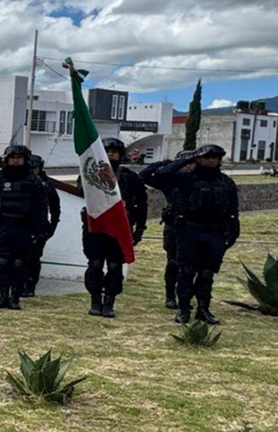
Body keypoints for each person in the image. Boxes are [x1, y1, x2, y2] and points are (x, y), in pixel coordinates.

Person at [148, 144, 239, 325]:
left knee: (206, 274)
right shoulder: (186, 178)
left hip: (215, 232)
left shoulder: (226, 182)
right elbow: (162, 174)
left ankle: (203, 309)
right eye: (207, 157)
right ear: (199, 159)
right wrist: (189, 158)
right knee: (186, 271)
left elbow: (233, 210)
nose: (211, 160)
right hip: (189, 230)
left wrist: (233, 232)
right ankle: (183, 309)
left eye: (215, 157)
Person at [0, 143, 47, 310]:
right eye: (12, 158)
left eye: (19, 158)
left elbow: (42, 207)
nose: (16, 161)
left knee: (19, 263)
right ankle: (3, 296)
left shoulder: (34, 180)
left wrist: (40, 231)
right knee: (3, 262)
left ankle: (15, 298)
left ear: (25, 160)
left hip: (24, 228)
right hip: (3, 226)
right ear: (7, 159)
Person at [78, 137, 148, 318]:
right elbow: (80, 193)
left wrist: (139, 229)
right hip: (96, 228)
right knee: (94, 265)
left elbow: (142, 204)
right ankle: (95, 300)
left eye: (114, 152)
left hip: (120, 229)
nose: (110, 155)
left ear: (120, 155)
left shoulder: (130, 178)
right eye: (107, 152)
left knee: (115, 267)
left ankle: (109, 302)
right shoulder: (89, 174)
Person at [143, 150, 194, 309]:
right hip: (174, 225)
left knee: (191, 265)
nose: (187, 168)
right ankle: (170, 295)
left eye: (190, 164)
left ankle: (186, 296)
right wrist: (165, 163)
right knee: (173, 262)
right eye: (183, 164)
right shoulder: (169, 182)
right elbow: (144, 175)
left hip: (194, 226)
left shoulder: (198, 180)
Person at [22, 154, 60, 298]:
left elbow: (55, 208)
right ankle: (19, 283)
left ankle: (31, 285)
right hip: (21, 224)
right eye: (29, 168)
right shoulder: (20, 181)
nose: (32, 171)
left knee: (33, 257)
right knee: (20, 257)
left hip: (39, 226)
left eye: (35, 168)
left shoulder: (47, 185)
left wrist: (53, 227)